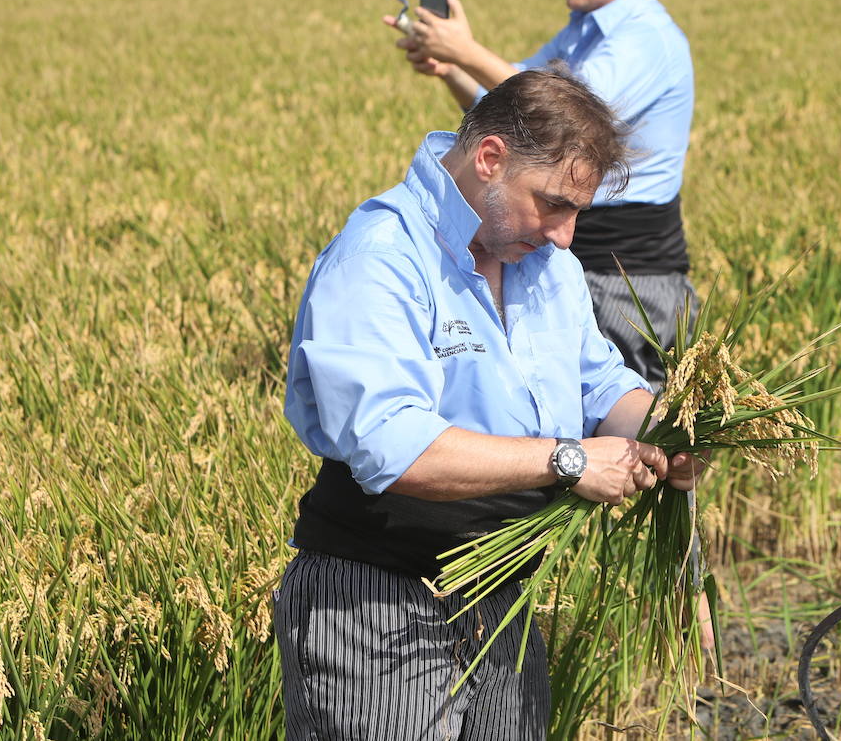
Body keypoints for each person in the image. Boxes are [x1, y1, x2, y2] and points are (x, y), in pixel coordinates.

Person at [274, 68, 702, 740]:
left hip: (505, 594)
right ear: (490, 159)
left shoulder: (546, 265)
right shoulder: (381, 256)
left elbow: (599, 385)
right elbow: (397, 449)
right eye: (553, 204)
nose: (565, 234)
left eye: (576, 213)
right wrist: (567, 461)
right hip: (380, 598)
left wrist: (663, 431)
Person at [387, 0, 694, 387]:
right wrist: (450, 67)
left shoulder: (646, 40)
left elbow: (568, 116)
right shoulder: (583, 32)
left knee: (631, 436)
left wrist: (465, 50)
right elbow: (518, 119)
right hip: (564, 256)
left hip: (628, 276)